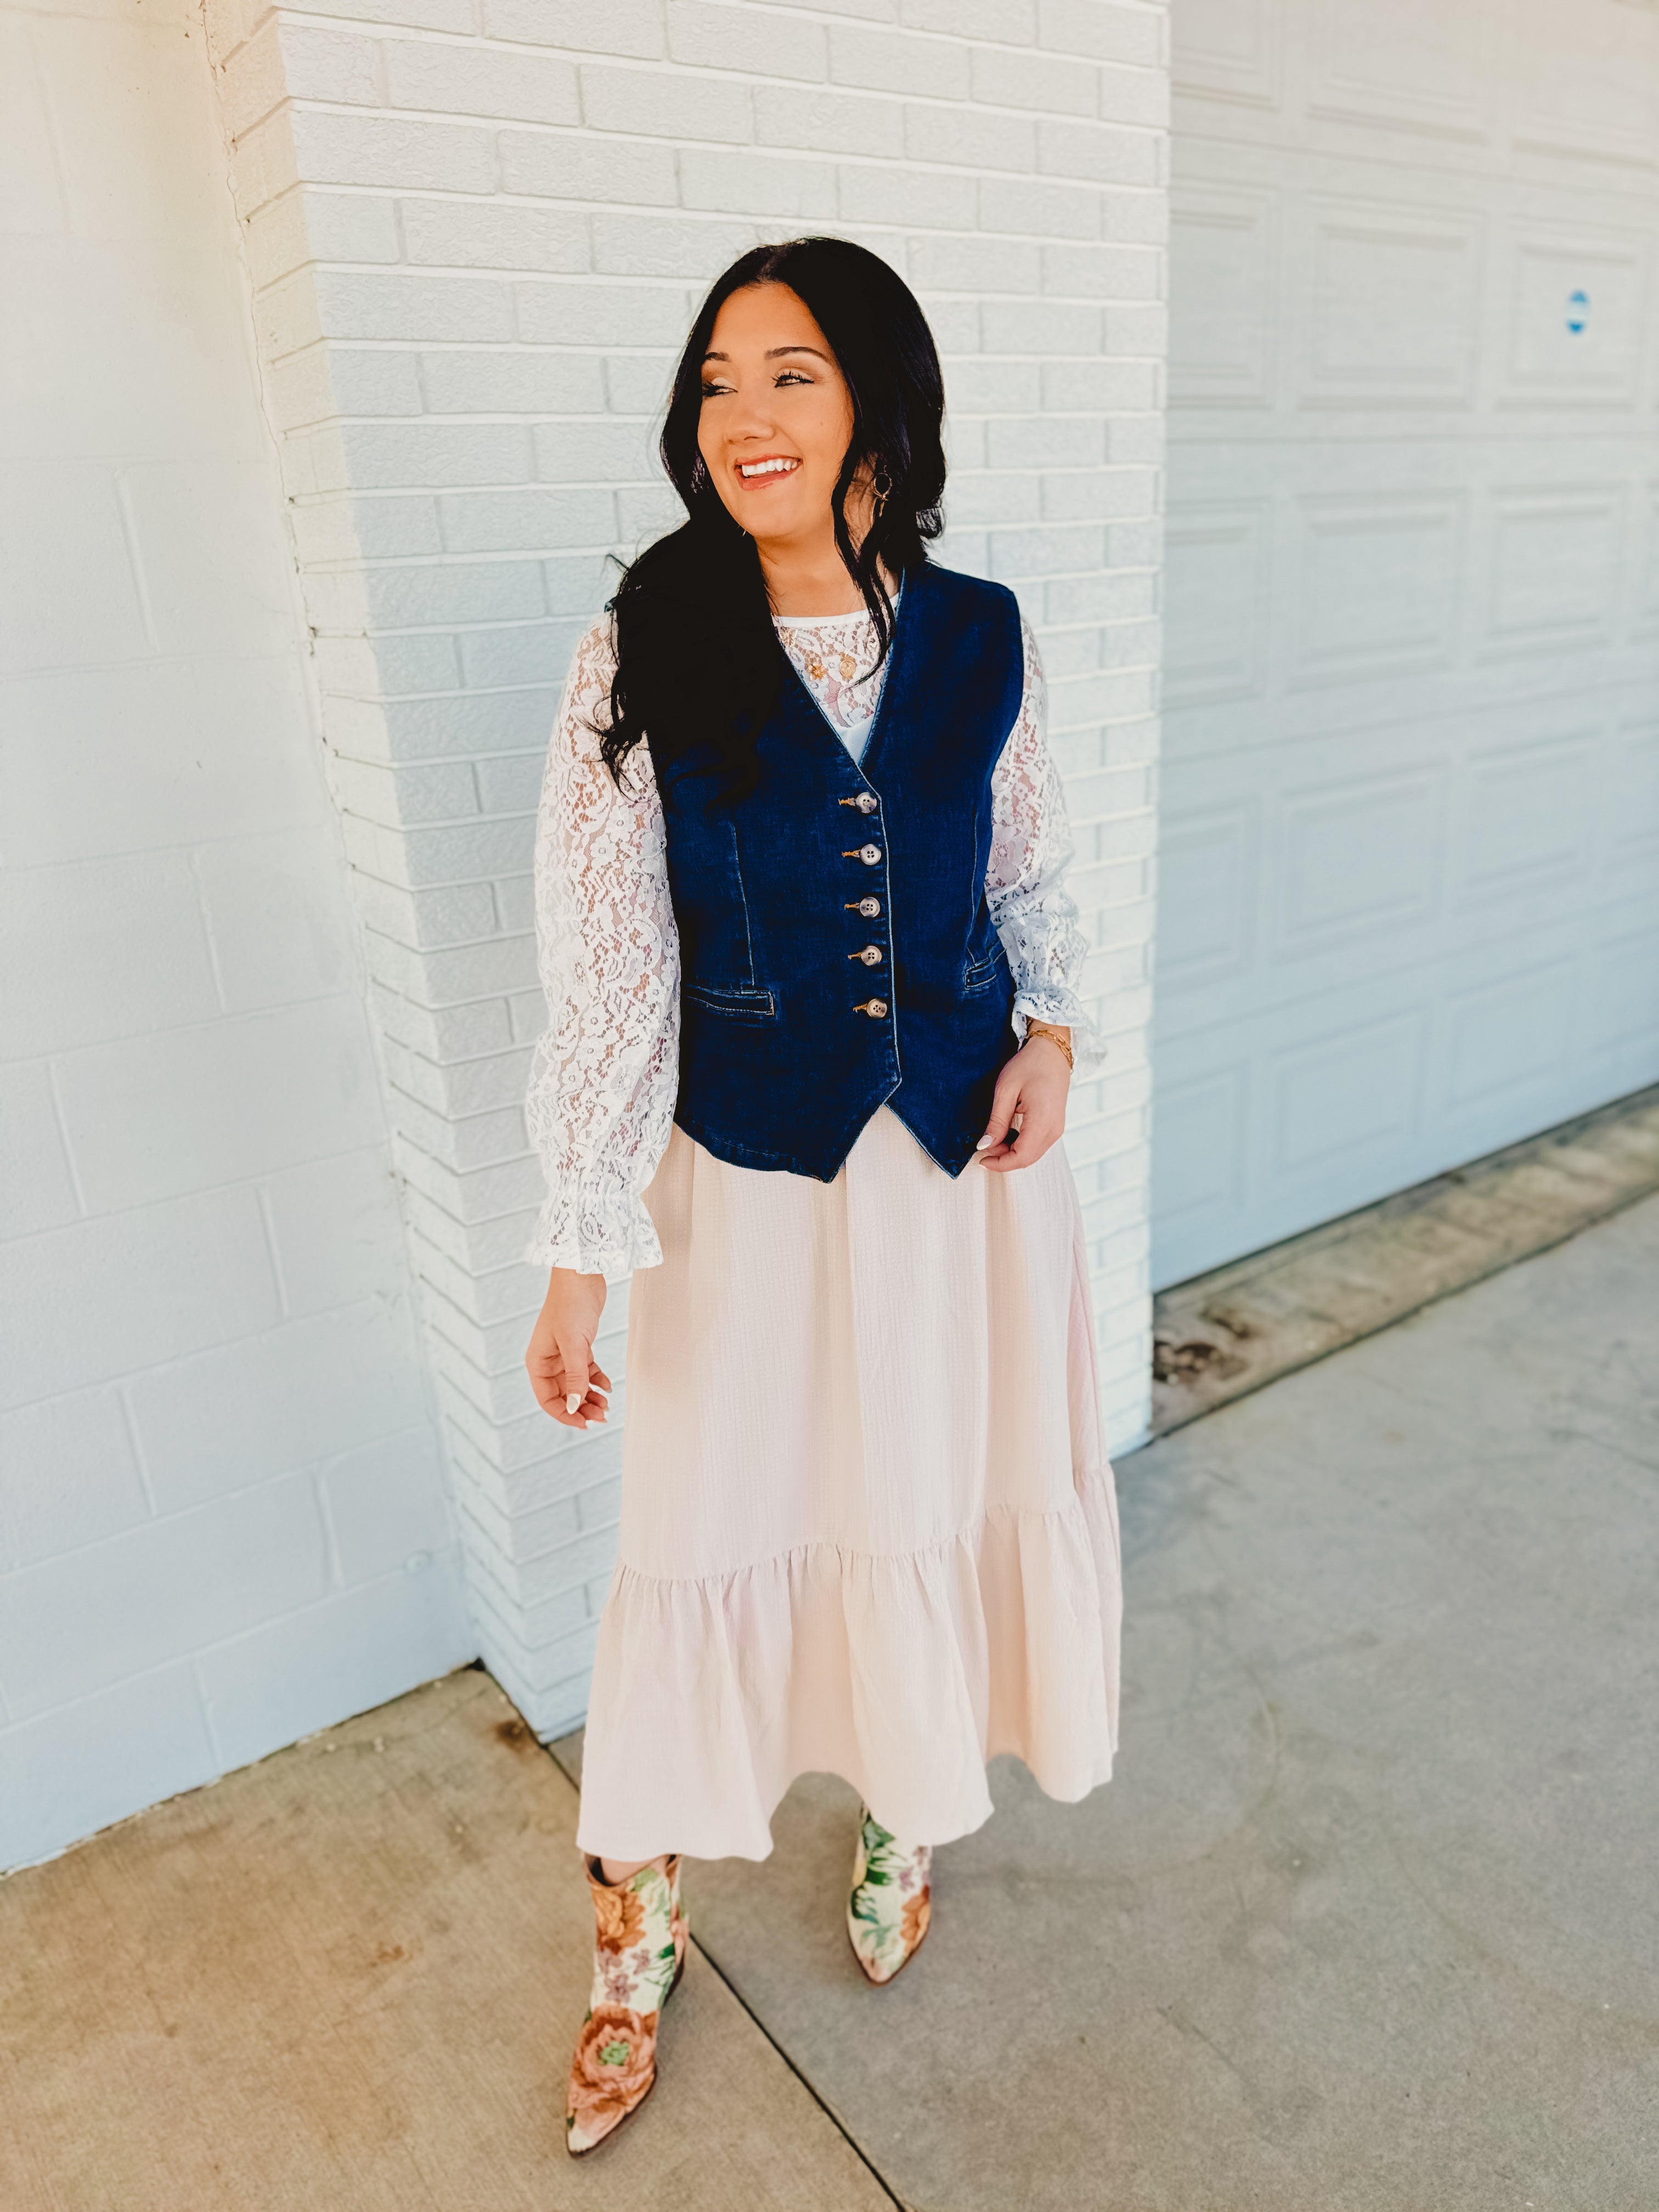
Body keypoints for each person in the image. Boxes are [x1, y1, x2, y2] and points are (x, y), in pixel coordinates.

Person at [523, 236, 1123, 2158]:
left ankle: (899, 1812)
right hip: (752, 1189)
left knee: (918, 1498)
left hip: (958, 1183)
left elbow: (1030, 871)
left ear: (876, 393)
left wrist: (1055, 1038)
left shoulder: (985, 632)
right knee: (705, 1533)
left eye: (786, 372)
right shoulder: (647, 640)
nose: (742, 419)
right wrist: (578, 1251)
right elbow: (607, 961)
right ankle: (639, 1934)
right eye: (715, 381)